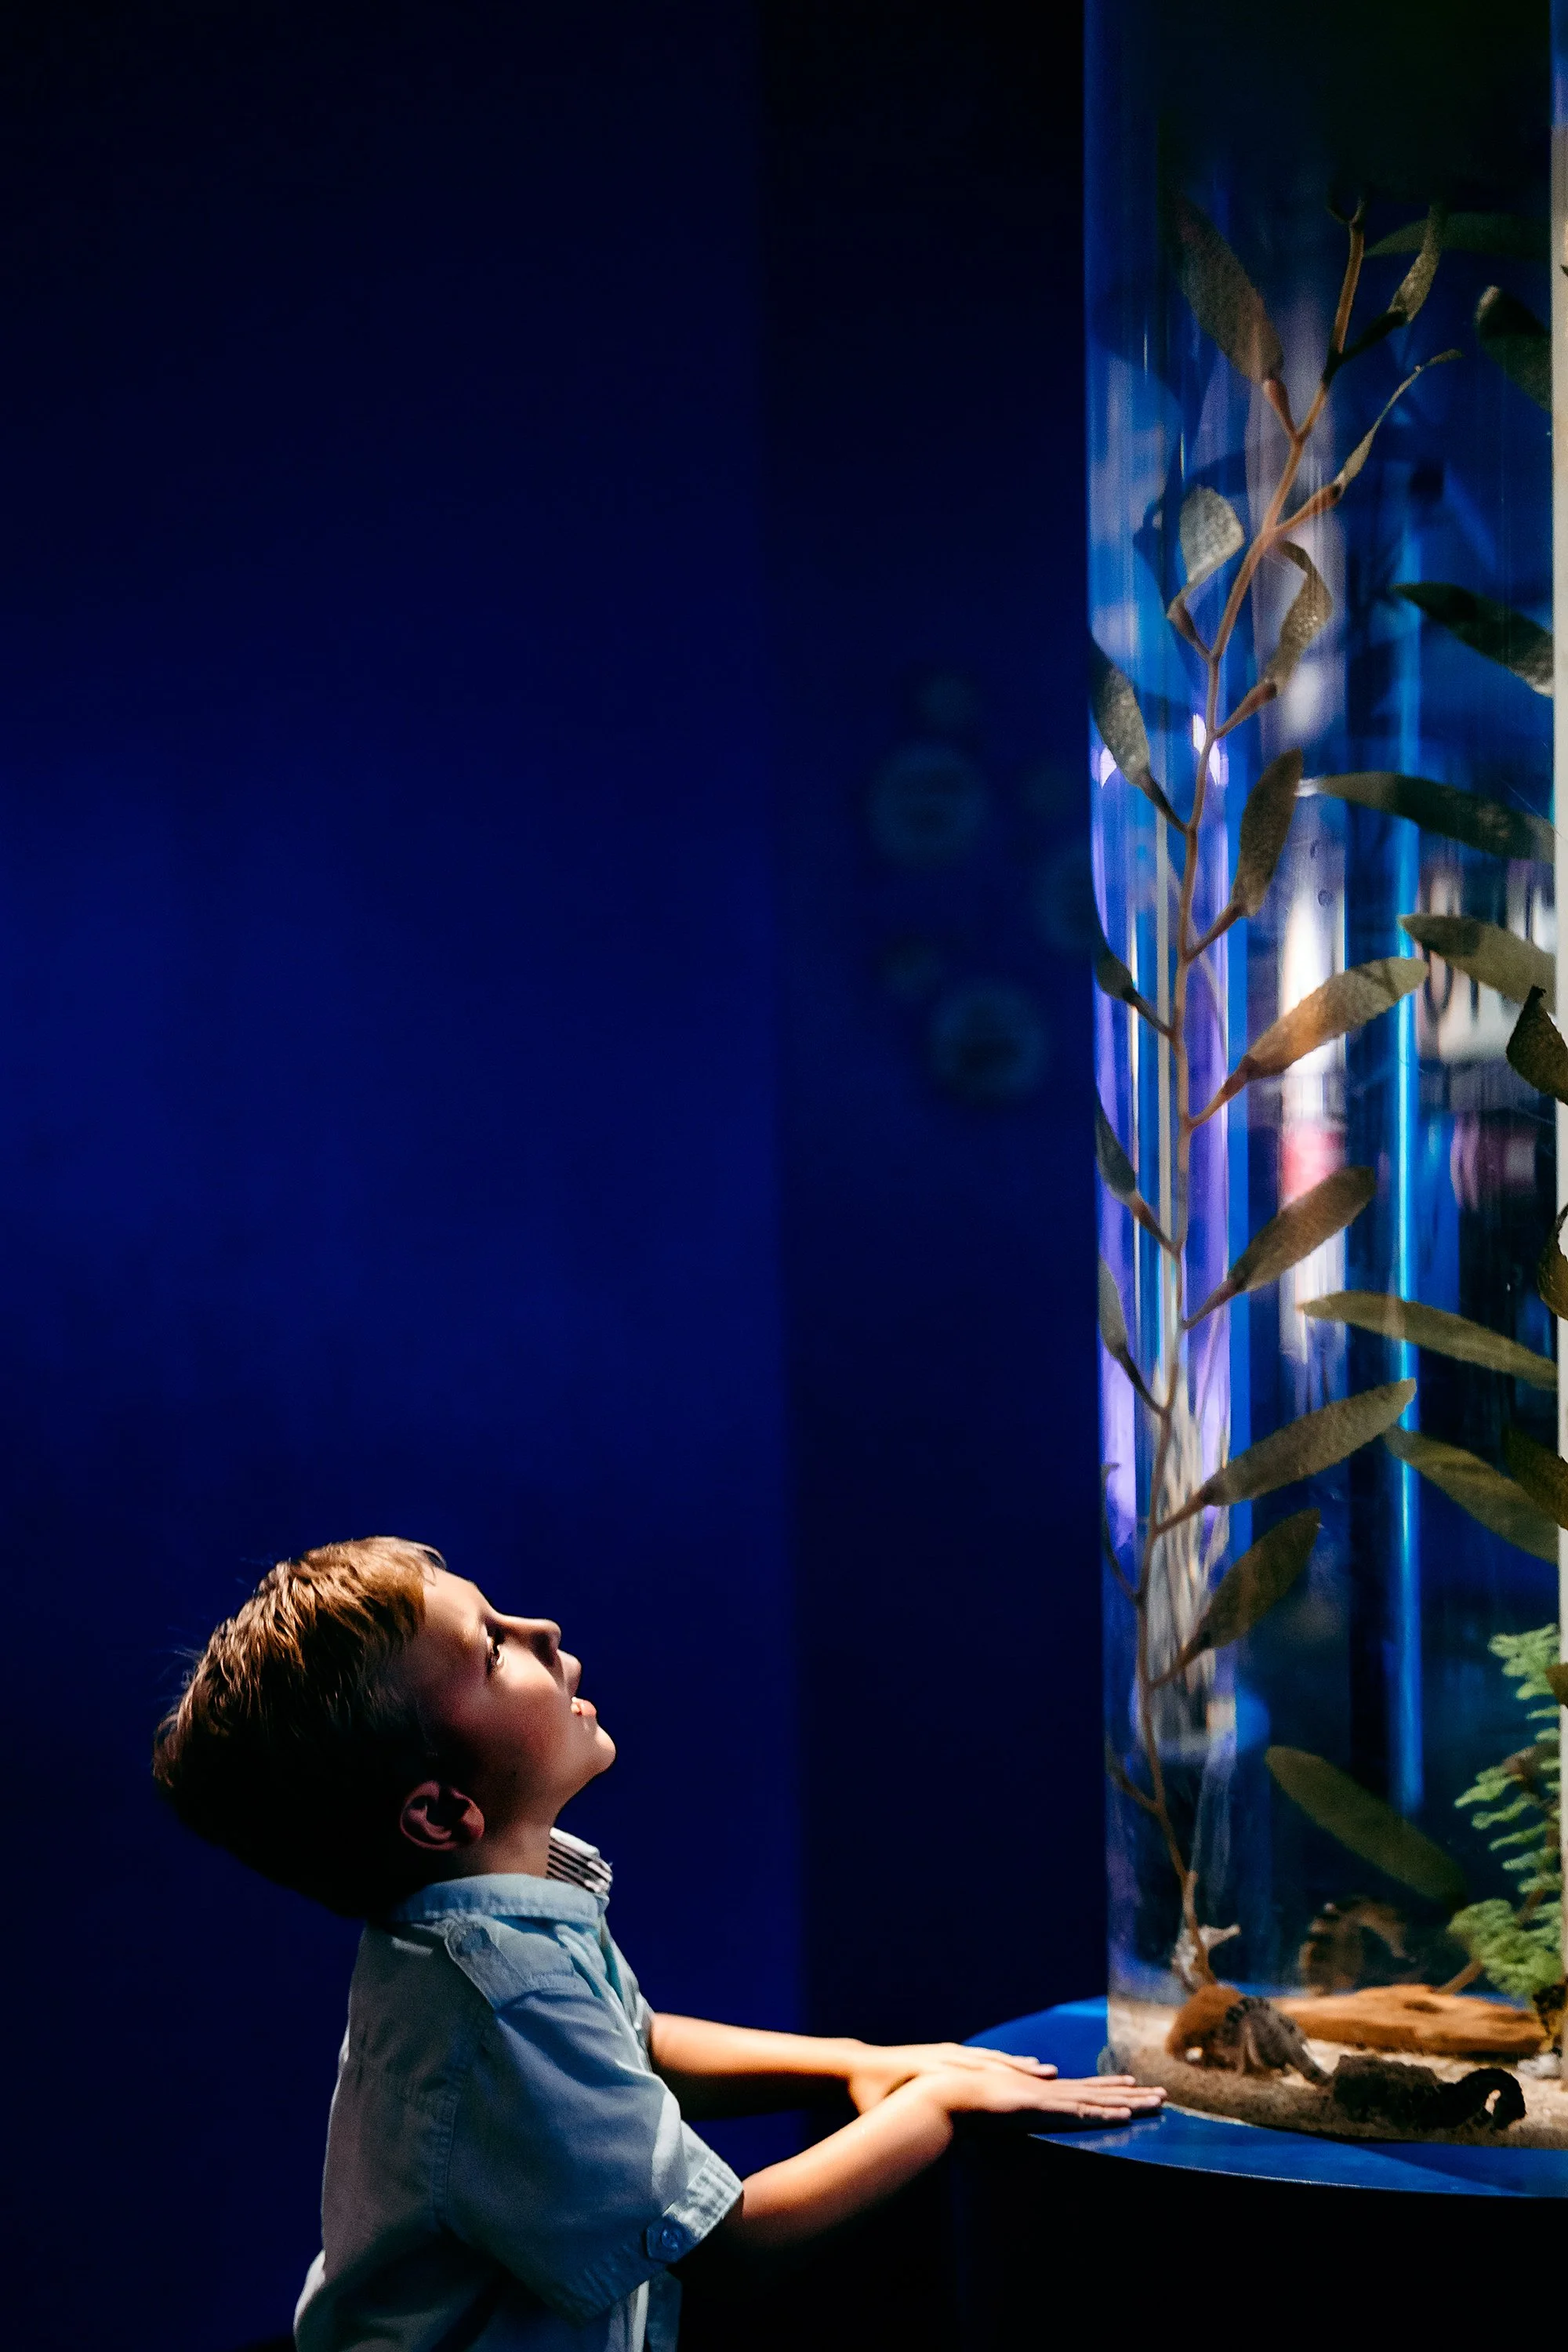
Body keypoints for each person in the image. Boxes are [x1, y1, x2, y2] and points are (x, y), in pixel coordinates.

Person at [154, 1537, 1160, 2350]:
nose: (540, 1628)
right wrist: (934, 2107)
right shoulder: (495, 1984)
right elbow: (725, 2247)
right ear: (439, 1812)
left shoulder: (483, 1919)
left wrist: (856, 2063)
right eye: (490, 1649)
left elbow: (632, 2043)